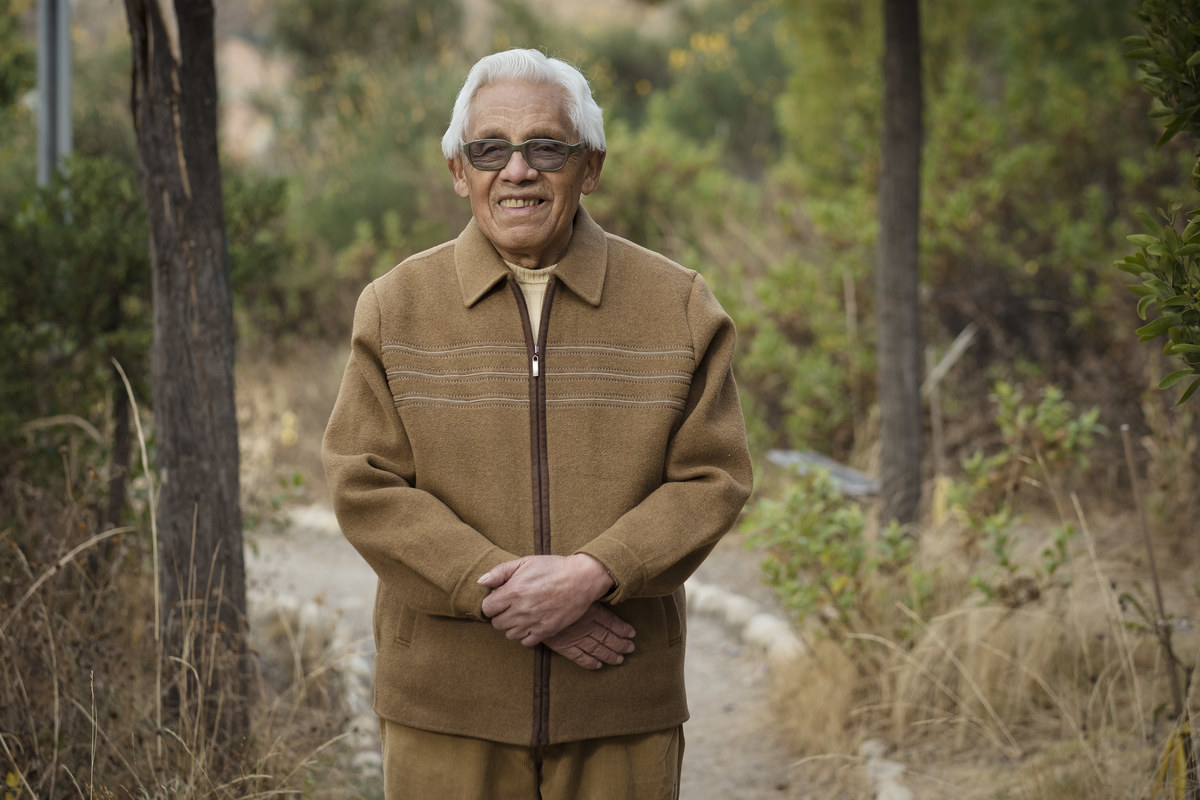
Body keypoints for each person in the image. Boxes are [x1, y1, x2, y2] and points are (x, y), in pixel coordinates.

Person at [322, 47, 753, 800]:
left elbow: (713, 479)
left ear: (590, 166)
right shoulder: (396, 307)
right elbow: (364, 486)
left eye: (545, 147)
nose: (516, 171)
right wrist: (512, 598)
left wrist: (593, 575)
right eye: (490, 149)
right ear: (460, 170)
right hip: (446, 709)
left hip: (621, 702)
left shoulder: (677, 305)